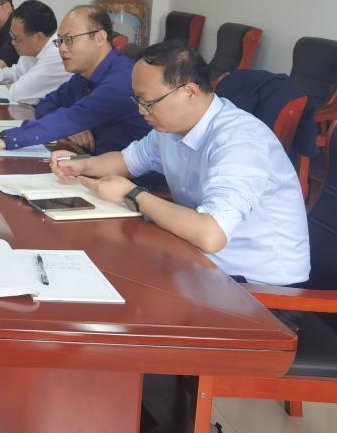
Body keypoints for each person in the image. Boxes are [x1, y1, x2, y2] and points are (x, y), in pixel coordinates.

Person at [52, 41, 310, 432]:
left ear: (189, 90)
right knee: (102, 275)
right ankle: (115, 410)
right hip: (207, 271)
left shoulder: (239, 141)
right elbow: (126, 160)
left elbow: (211, 234)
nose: (142, 111)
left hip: (260, 297)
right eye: (138, 100)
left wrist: (134, 195)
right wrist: (78, 166)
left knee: (123, 309)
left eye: (149, 102)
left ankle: (141, 417)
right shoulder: (172, 128)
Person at [0, 5, 150, 155]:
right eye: (59, 41)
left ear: (100, 38)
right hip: (88, 162)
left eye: (69, 40)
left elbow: (72, 117)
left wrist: (4, 140)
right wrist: (72, 128)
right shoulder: (83, 76)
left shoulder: (121, 80)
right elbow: (47, 104)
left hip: (132, 182)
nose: (62, 48)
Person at [0, 0, 71, 105]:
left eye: (16, 38)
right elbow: (17, 72)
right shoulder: (33, 48)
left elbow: (18, 94)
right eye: (12, 36)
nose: (13, 43)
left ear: (38, 37)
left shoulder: (56, 54)